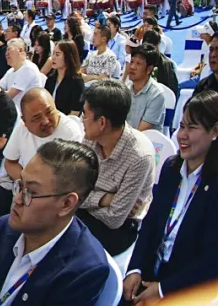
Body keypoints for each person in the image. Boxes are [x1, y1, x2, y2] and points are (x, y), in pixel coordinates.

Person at [0, 139, 109, 306]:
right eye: (19, 185)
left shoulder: (84, 270)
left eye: (31, 192)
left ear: (66, 204)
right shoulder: (5, 227)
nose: (17, 199)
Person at [124, 89, 218, 301]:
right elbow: (151, 223)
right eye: (182, 126)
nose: (182, 135)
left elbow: (212, 260)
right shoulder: (171, 169)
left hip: (188, 287)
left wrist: (163, 289)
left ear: (215, 131)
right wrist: (135, 269)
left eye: (192, 128)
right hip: (151, 273)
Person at [77, 80, 155, 255]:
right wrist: (105, 199)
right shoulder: (90, 140)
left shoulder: (139, 156)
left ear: (102, 122)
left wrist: (83, 200)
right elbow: (73, 187)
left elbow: (114, 219)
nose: (82, 121)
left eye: (85, 115)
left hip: (118, 230)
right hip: (83, 214)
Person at [0, 87, 85, 218]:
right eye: (37, 118)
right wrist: (27, 182)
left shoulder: (70, 133)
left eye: (49, 112)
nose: (45, 121)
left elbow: (66, 179)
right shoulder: (22, 129)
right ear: (25, 121)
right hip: (24, 185)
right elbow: (10, 163)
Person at [124, 43, 167, 132]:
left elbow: (142, 131)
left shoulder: (157, 94)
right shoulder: (126, 88)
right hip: (126, 136)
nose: (132, 67)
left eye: (138, 64)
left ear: (149, 69)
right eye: (132, 62)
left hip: (145, 138)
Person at [1, 38, 46, 108]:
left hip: (27, 113)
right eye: (6, 51)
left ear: (20, 50)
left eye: (9, 49)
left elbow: (9, 95)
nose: (6, 53)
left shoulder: (28, 68)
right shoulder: (10, 71)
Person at [44, 40, 84, 116]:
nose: (53, 58)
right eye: (53, 54)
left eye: (57, 54)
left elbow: (75, 112)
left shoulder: (76, 82)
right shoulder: (50, 79)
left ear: (68, 57)